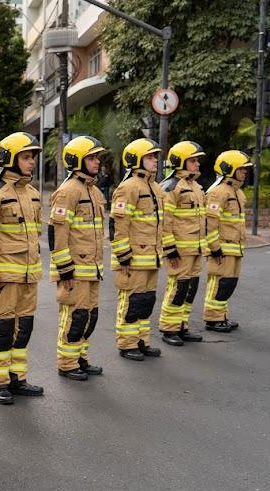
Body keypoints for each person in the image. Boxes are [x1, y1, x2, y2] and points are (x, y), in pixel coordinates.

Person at [0, 132, 44, 405]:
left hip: (28, 274)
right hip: (4, 278)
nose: (31, 162)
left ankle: (17, 377)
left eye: (32, 158)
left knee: (24, 328)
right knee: (3, 329)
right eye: (26, 157)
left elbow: (35, 235)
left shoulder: (33, 194)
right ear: (10, 159)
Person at [48, 136, 107, 381]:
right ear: (77, 161)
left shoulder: (93, 190)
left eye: (96, 158)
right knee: (75, 317)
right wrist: (64, 269)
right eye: (91, 157)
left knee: (89, 316)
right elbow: (58, 233)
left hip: (92, 267)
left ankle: (81, 358)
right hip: (75, 269)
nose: (96, 162)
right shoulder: (68, 191)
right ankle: (67, 363)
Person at [109, 138, 165, 361]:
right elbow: (118, 224)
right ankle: (127, 344)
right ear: (135, 160)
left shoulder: (154, 187)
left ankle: (142, 341)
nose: (154, 161)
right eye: (150, 157)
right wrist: (123, 255)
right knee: (131, 302)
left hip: (151, 256)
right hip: (133, 258)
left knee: (146, 301)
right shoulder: (128, 187)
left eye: (155, 157)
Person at [158, 141, 207, 346]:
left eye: (197, 161)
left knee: (191, 287)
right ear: (180, 162)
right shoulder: (171, 187)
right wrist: (169, 249)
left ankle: (182, 326)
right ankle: (169, 329)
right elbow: (165, 221)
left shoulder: (196, 186)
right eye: (193, 160)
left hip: (195, 247)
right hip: (179, 249)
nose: (197, 164)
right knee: (178, 287)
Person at [203, 150, 251, 332]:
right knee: (219, 283)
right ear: (229, 169)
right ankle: (212, 319)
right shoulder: (218, 193)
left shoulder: (237, 193)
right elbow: (210, 223)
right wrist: (214, 248)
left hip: (235, 247)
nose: (244, 172)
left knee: (229, 284)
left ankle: (221, 316)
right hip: (222, 248)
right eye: (241, 169)